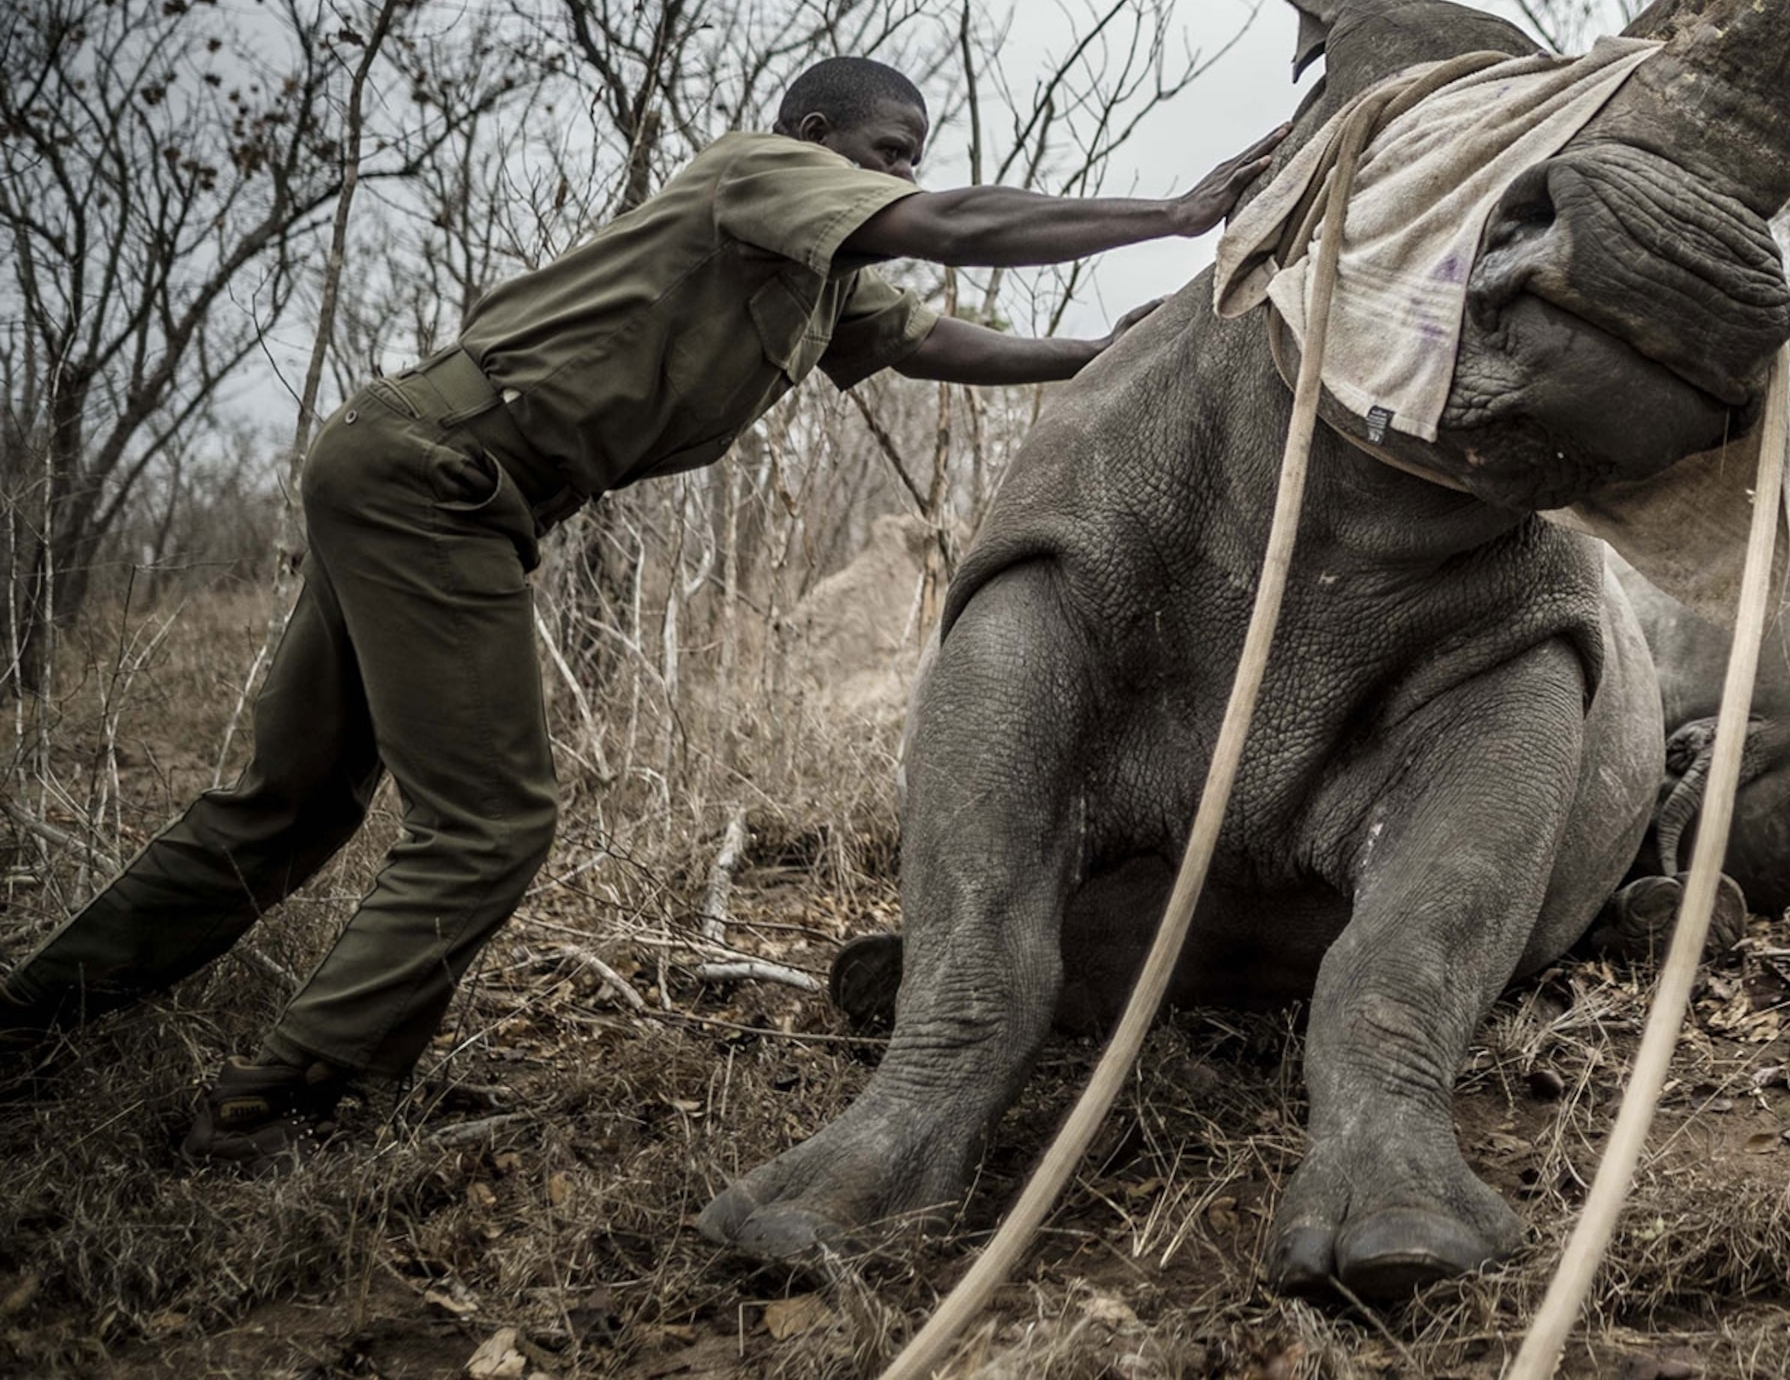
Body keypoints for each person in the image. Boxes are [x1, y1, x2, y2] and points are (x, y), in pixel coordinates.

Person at [0, 56, 1282, 1160]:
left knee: (292, 800)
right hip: (437, 474)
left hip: (435, 477)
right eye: (886, 153)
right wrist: (1170, 211)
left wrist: (1109, 349)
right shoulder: (756, 173)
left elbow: (932, 340)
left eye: (911, 159)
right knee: (491, 823)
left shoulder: (819, 280)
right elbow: (943, 222)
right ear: (818, 138)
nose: (899, 177)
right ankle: (287, 1092)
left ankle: (39, 1018)